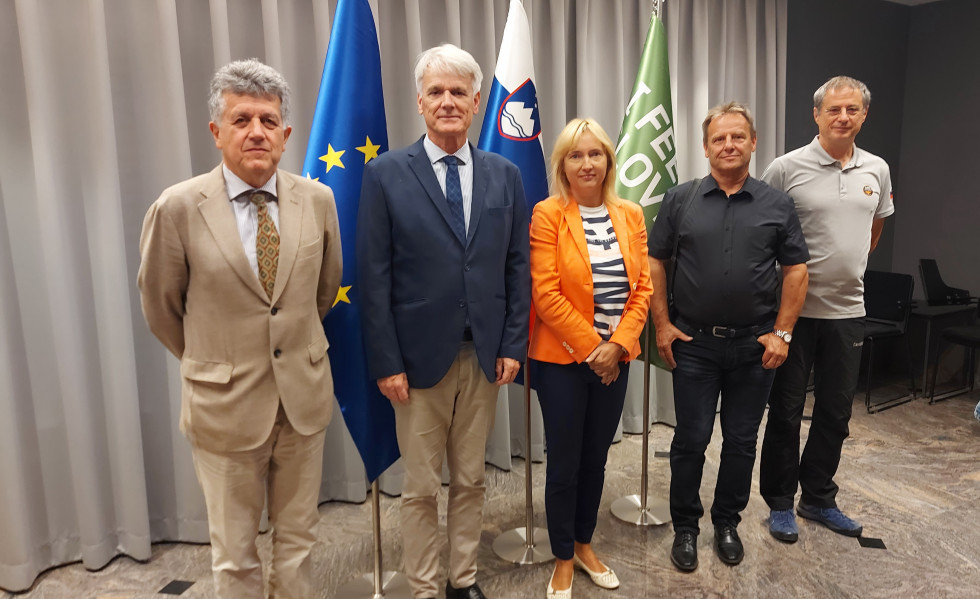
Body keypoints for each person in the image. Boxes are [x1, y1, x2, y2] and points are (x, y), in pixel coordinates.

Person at [137, 59, 342, 598]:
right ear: (217, 131)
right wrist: (215, 361)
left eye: (269, 121)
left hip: (302, 403)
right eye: (242, 119)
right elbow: (161, 307)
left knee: (298, 542)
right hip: (224, 409)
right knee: (234, 556)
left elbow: (324, 293)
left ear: (286, 133)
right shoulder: (178, 208)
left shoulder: (318, 201)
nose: (257, 132)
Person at [356, 43, 530, 599]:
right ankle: (426, 587)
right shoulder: (385, 174)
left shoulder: (504, 175)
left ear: (478, 101)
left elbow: (516, 265)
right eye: (437, 92)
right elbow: (373, 276)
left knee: (473, 480)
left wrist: (512, 343)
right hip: (415, 363)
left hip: (482, 357)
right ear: (420, 102)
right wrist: (385, 362)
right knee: (421, 488)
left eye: (459, 92)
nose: (448, 101)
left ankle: (464, 579)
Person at [647, 102, 809, 572]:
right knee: (691, 439)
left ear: (753, 142)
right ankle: (686, 526)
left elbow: (797, 271)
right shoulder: (680, 199)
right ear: (706, 147)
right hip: (694, 344)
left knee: (741, 440)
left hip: (754, 347)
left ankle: (726, 522)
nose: (729, 145)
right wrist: (661, 324)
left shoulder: (778, 205)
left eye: (738, 137)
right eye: (719, 139)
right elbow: (655, 261)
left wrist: (782, 333)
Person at [760, 76, 895, 543]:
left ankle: (817, 497)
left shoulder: (876, 169)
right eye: (834, 109)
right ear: (816, 114)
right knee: (785, 410)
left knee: (836, 413)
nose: (843, 117)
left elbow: (874, 229)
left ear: (863, 115)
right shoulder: (785, 167)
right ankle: (779, 502)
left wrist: (847, 265)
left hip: (848, 312)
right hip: (793, 315)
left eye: (852, 110)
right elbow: (765, 234)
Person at [529, 118, 652, 598]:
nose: (586, 163)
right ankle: (562, 556)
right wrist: (593, 351)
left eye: (595, 154)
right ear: (563, 163)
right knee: (564, 460)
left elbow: (642, 288)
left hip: (615, 359)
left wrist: (617, 346)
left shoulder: (632, 214)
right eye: (575, 155)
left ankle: (584, 543)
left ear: (608, 160)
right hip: (561, 362)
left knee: (596, 457)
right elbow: (546, 294)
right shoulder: (547, 215)